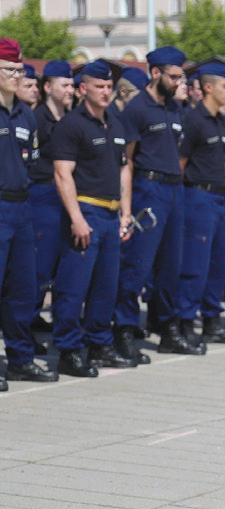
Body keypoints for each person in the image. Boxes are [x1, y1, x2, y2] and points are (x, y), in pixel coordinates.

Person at [114, 45, 203, 362]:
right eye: (174, 77)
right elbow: (127, 160)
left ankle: (168, 329)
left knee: (171, 266)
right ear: (155, 73)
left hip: (173, 189)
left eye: (181, 77)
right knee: (137, 266)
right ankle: (124, 330)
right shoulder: (137, 109)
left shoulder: (175, 109)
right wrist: (127, 209)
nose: (179, 82)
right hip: (147, 190)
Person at [51, 60, 134, 377]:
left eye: (109, 86)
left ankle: (99, 344)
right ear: (82, 88)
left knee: (106, 286)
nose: (106, 92)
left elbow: (124, 169)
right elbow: (62, 174)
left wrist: (126, 213)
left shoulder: (115, 123)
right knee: (73, 286)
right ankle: (69, 350)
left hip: (112, 214)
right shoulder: (72, 125)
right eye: (99, 86)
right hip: (86, 211)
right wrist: (76, 217)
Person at [0, 37, 58, 389]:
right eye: (9, 70)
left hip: (22, 206)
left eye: (19, 70)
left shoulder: (25, 115)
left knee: (22, 288)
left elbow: (31, 162)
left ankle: (20, 359)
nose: (16, 76)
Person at [177, 62, 225, 348]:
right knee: (196, 265)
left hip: (218, 197)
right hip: (198, 197)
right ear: (209, 88)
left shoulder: (219, 121)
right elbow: (181, 164)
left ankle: (212, 320)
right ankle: (186, 321)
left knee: (217, 264)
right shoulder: (194, 120)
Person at [29, 60, 75, 336]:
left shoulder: (73, 119)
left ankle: (61, 320)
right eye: (64, 85)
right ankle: (27, 321)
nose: (70, 90)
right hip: (43, 193)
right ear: (48, 87)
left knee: (64, 263)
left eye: (71, 85)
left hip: (68, 194)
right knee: (41, 264)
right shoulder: (37, 119)